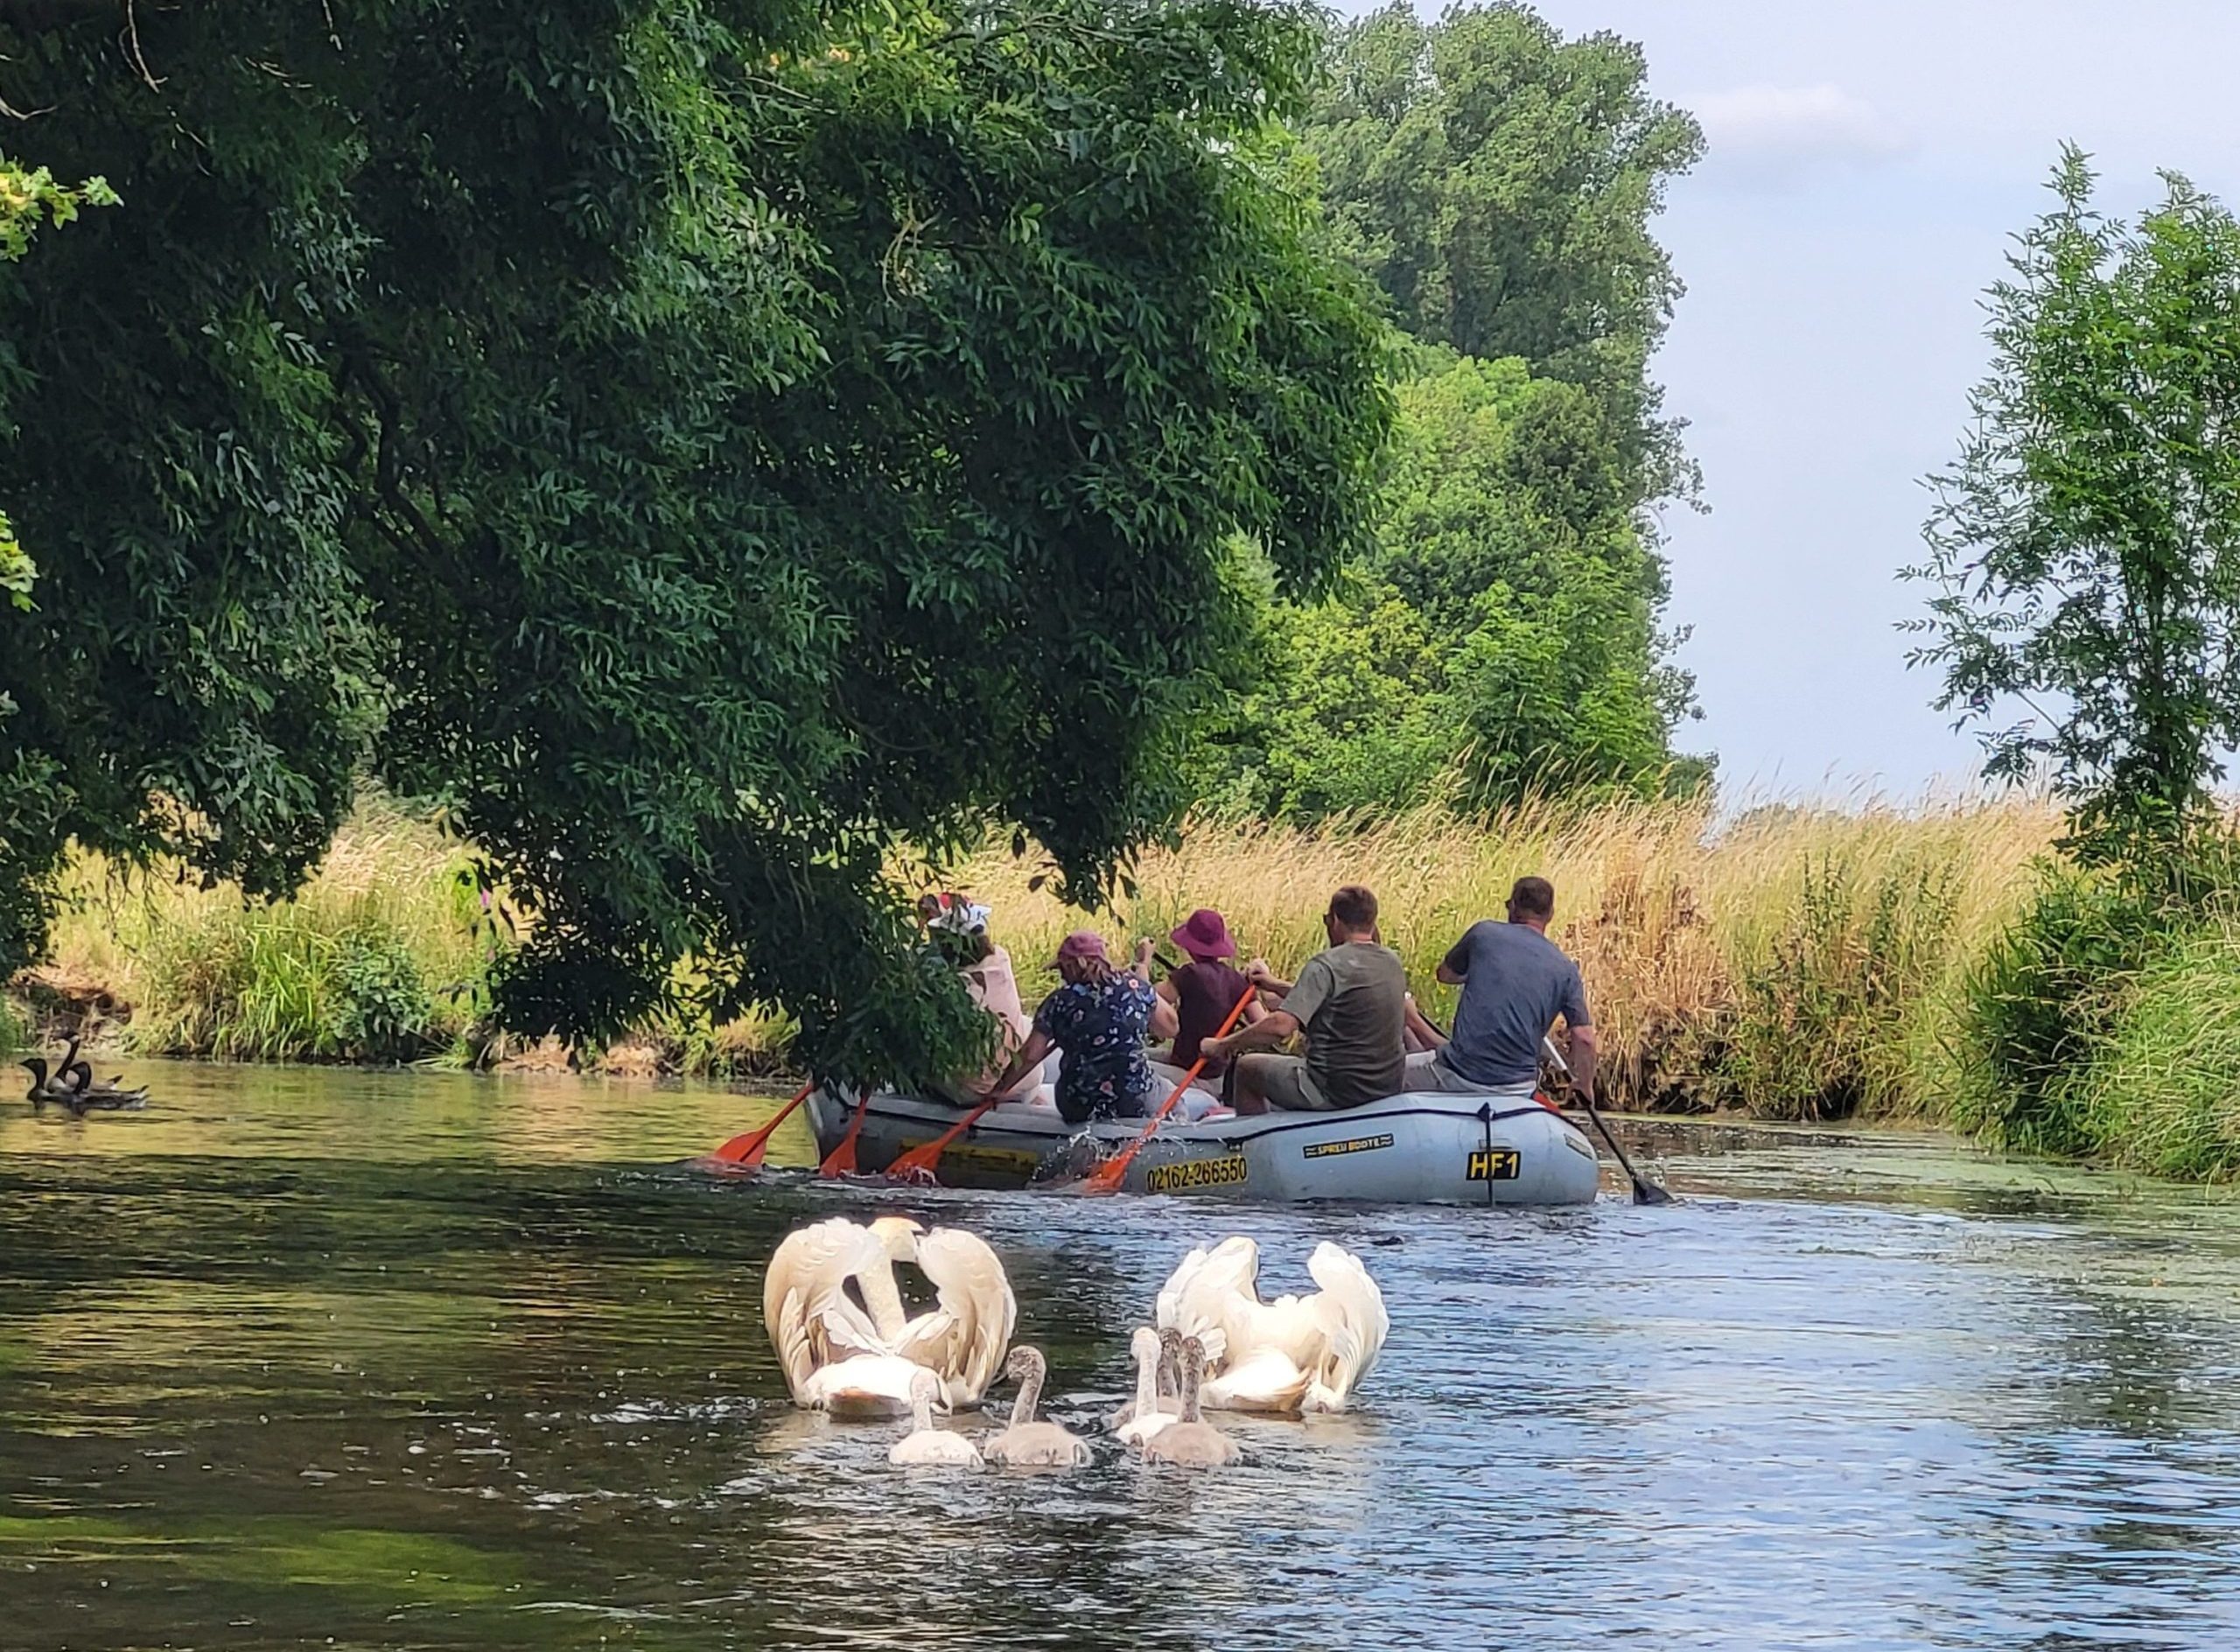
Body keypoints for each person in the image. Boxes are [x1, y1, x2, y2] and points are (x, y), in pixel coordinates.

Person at [1201, 885, 1405, 1115]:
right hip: (1386, 1086)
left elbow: (1281, 1027)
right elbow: (1333, 996)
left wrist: (1221, 1045)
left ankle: (1251, 1135)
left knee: (1247, 1068)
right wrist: (1272, 984)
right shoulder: (1392, 962)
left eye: (1327, 920)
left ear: (1335, 920)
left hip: (1335, 1090)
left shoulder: (1325, 965)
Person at [1405, 876, 1598, 1102]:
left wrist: (1479, 972)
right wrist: (1585, 1085)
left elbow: (1445, 975)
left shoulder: (1483, 933)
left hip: (1459, 1076)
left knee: (1385, 1075)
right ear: (1550, 914)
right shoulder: (1566, 969)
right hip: (1519, 1088)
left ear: (1513, 907)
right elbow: (1584, 1038)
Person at [976, 932, 1179, 1124]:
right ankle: (1177, 1135)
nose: (1062, 976)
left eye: (1061, 970)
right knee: (1172, 1097)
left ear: (1069, 967)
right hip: (1133, 1095)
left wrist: (1000, 1090)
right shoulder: (1136, 987)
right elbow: (1171, 1028)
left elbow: (1030, 1055)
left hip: (1077, 1102)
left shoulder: (1058, 1002)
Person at [924, 898, 1036, 1102]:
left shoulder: (950, 984)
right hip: (1024, 1078)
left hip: (974, 1092)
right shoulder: (1000, 957)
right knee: (1024, 1024)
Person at [1149, 908, 1264, 1087]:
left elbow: (1149, 998)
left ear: (1190, 946)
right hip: (1218, 1074)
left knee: (1131, 1064)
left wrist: (1143, 963)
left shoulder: (1189, 974)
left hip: (1190, 1074)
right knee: (1143, 1055)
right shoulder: (1238, 981)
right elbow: (1261, 1022)